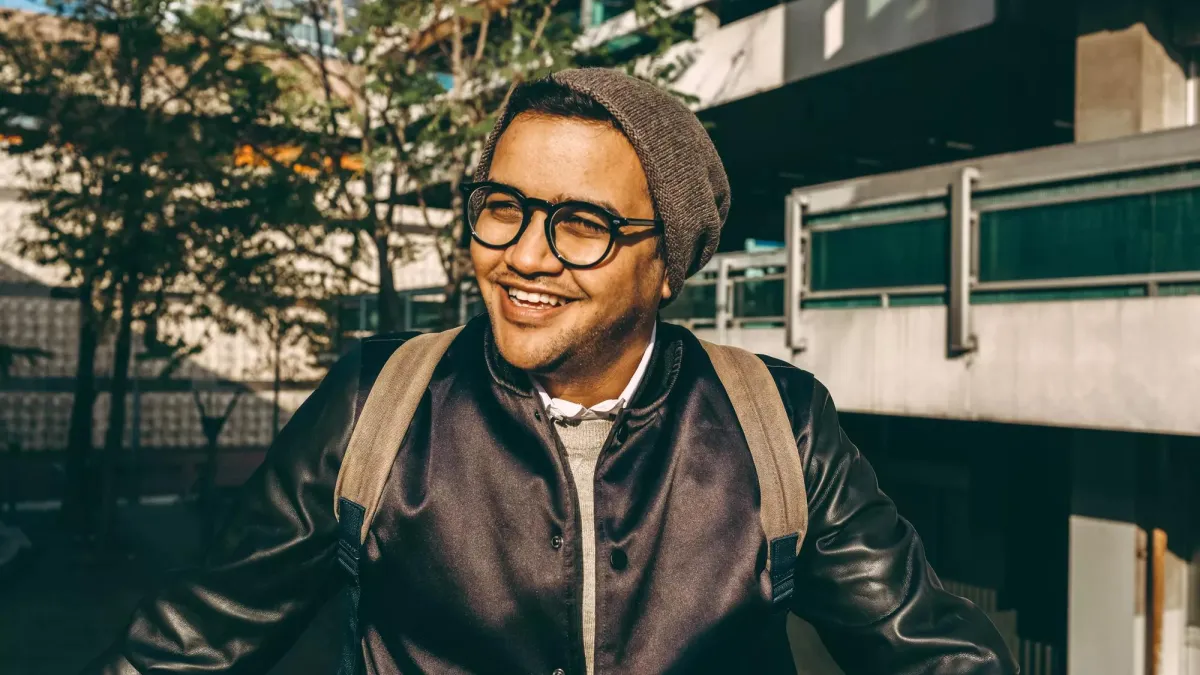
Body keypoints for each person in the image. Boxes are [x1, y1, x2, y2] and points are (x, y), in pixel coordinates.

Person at [84, 68, 1016, 675]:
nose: (525, 256)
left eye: (583, 225)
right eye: (503, 208)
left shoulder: (775, 420)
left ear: (666, 267)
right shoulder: (383, 400)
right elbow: (188, 644)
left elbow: (932, 650)